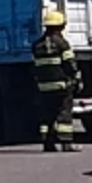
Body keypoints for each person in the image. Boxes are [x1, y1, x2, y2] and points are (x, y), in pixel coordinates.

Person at [33, 10, 79, 152]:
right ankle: (66, 143)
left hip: (44, 87)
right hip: (61, 85)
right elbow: (70, 65)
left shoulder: (37, 46)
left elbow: (35, 67)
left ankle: (48, 143)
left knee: (47, 115)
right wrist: (75, 77)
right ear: (61, 26)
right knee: (64, 113)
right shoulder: (62, 44)